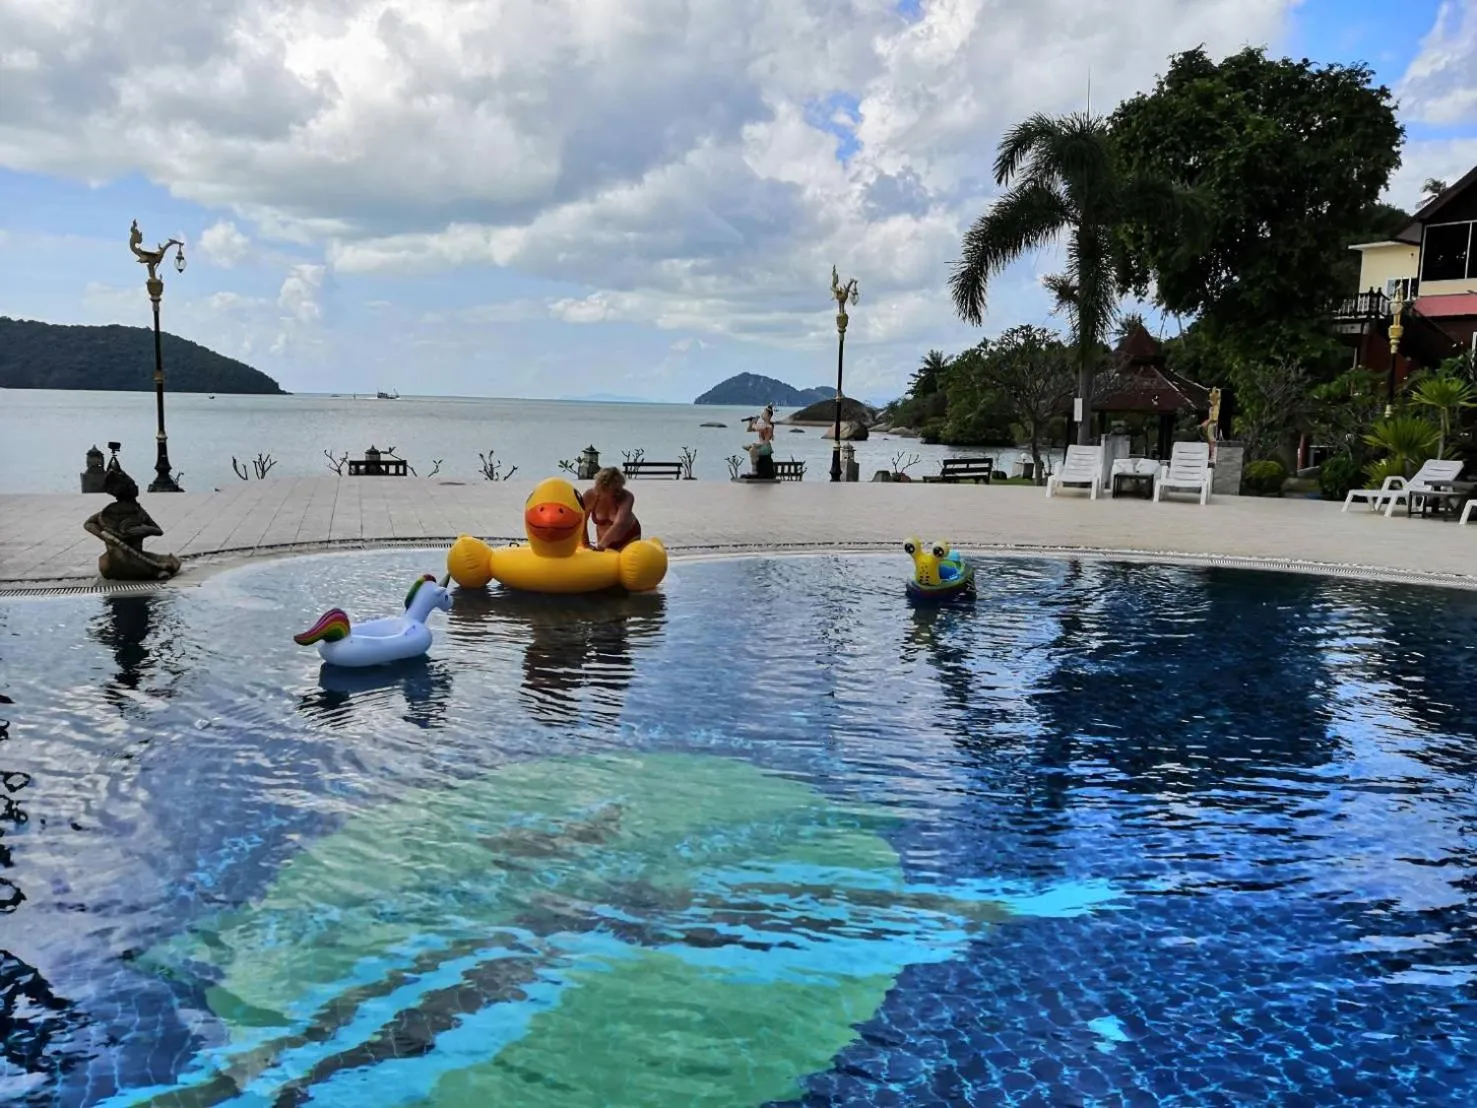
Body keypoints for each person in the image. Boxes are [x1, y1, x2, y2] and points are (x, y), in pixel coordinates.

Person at [581, 467, 642, 551]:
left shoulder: (627, 496)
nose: (619, 492)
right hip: (603, 541)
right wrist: (586, 543)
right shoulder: (590, 496)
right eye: (615, 490)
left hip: (629, 538)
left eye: (620, 487)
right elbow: (582, 520)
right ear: (603, 487)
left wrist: (600, 547)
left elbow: (619, 524)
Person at [746, 403, 776, 479]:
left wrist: (753, 422)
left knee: (752, 450)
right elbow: (749, 430)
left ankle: (754, 471)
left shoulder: (768, 425)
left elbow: (757, 427)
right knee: (749, 447)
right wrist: (751, 423)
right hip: (761, 445)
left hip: (766, 447)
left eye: (764, 413)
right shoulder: (762, 424)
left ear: (769, 416)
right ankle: (757, 463)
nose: (762, 414)